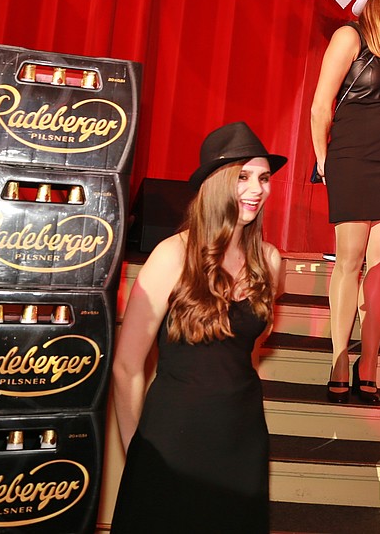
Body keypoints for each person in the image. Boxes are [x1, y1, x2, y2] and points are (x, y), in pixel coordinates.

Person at [111, 122, 285, 533]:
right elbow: (126, 367)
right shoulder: (173, 255)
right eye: (243, 177)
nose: (257, 189)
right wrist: (139, 450)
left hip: (241, 436)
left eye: (263, 178)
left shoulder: (270, 261)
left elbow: (247, 352)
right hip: (172, 436)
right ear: (215, 183)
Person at [310, 0, 380, 404]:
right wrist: (324, 160)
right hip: (350, 157)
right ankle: (339, 358)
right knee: (349, 262)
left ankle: (368, 364)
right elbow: (321, 105)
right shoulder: (347, 37)